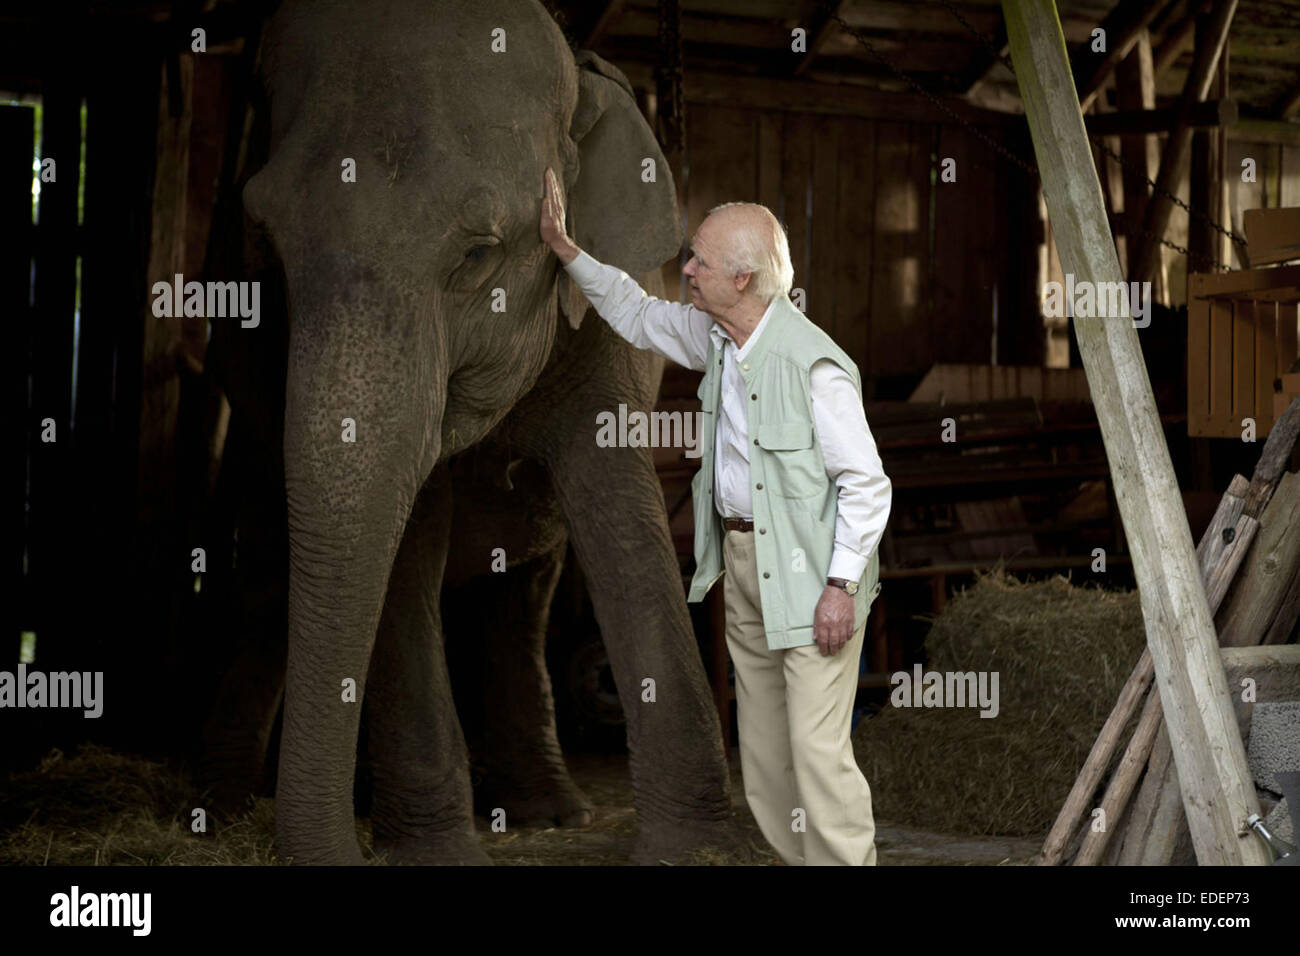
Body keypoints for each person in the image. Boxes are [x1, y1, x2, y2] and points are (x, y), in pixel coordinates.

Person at [539, 168, 891, 866]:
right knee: (762, 757)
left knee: (817, 755)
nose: (687, 269)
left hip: (815, 580)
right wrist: (565, 250)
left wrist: (840, 586)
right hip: (745, 564)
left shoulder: (814, 366)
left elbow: (867, 484)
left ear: (744, 279)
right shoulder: (718, 341)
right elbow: (637, 312)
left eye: (699, 259)